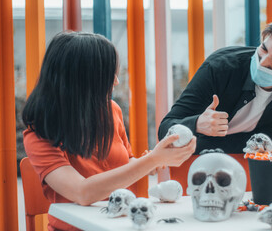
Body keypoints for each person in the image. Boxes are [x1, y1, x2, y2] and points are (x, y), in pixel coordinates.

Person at [22, 32, 196, 231]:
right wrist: (152, 160)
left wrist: (149, 162)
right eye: (108, 75)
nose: (116, 82)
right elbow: (82, 193)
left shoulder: (112, 110)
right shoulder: (40, 133)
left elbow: (126, 162)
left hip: (122, 223)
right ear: (82, 79)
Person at [158, 14, 272, 154]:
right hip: (195, 161)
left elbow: (267, 139)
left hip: (246, 165)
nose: (262, 62)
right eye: (264, 49)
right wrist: (197, 124)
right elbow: (165, 129)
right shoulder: (220, 67)